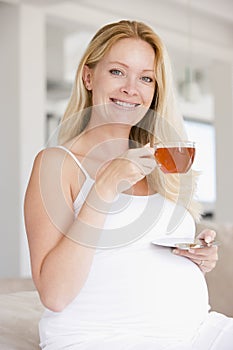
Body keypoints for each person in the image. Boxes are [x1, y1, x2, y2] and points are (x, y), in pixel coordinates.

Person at [24, 20, 233, 349]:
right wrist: (103, 190)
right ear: (89, 76)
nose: (131, 88)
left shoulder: (157, 165)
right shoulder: (57, 163)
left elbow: (135, 259)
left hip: (198, 331)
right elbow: (55, 294)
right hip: (107, 338)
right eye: (118, 72)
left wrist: (195, 256)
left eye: (146, 78)